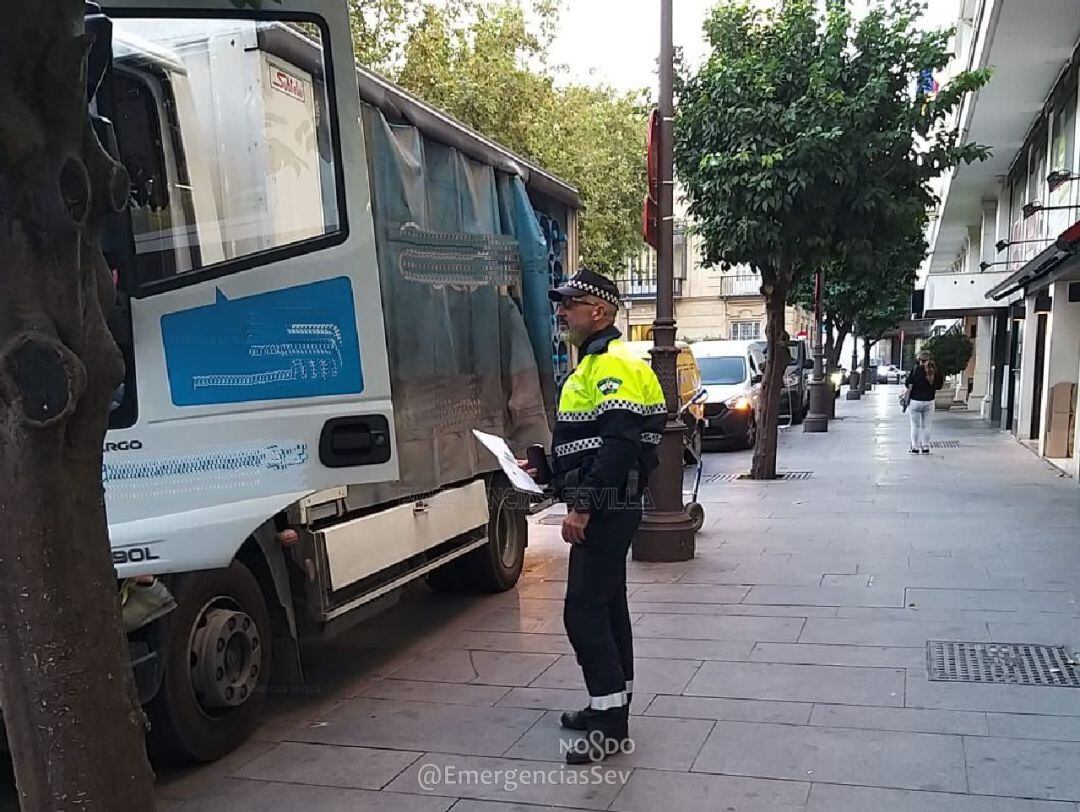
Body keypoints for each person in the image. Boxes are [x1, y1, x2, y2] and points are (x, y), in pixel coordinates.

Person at [522, 268, 665, 764]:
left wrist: (582, 506)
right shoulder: (596, 364)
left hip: (607, 505)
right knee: (607, 605)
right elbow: (592, 441)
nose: (562, 312)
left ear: (599, 311)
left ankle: (609, 727)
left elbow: (620, 444)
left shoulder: (611, 365)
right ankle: (610, 705)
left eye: (570, 304)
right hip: (611, 501)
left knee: (583, 610)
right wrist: (545, 465)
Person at [904, 351, 943, 453]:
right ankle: (925, 447)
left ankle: (915, 447)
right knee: (927, 426)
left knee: (915, 426)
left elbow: (907, 383)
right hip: (929, 401)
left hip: (915, 401)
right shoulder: (935, 371)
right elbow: (939, 386)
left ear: (920, 360)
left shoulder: (916, 369)